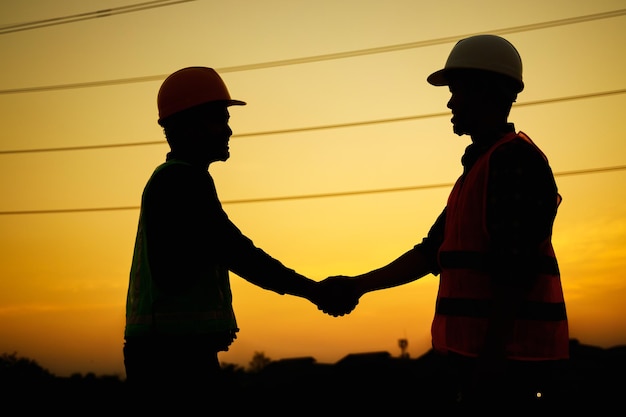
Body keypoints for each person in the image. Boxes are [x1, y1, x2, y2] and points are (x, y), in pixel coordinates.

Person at [321, 34, 569, 411]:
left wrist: (490, 364)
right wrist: (357, 286)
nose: (451, 103)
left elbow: (514, 272)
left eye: (457, 91)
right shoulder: (479, 169)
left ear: (485, 90)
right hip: (486, 364)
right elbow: (430, 253)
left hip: (511, 369)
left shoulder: (512, 163)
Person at [123, 66, 353, 406]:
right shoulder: (182, 182)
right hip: (173, 359)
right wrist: (312, 290)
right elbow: (237, 252)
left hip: (169, 351)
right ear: (187, 126)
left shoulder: (176, 180)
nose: (228, 129)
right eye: (218, 118)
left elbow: (226, 249)